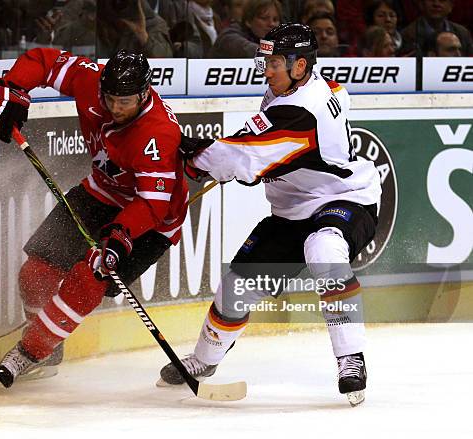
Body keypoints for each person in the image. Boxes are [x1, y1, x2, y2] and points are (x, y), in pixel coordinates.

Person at [158, 23, 381, 407]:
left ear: (300, 65)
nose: (267, 69)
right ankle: (204, 360)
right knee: (237, 287)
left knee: (324, 248)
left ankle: (351, 358)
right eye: (267, 61)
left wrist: (199, 157)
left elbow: (249, 156)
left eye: (275, 62)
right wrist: (238, 158)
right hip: (293, 209)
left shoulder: (302, 109)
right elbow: (257, 146)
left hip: (346, 199)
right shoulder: (303, 89)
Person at [0, 48, 188, 388]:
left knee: (88, 277)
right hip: (100, 192)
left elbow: (153, 205)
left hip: (152, 220)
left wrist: (119, 236)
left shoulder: (159, 133)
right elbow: (43, 61)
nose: (116, 109)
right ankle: (47, 347)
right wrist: (14, 92)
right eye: (110, 99)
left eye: (126, 102)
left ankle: (30, 351)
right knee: (35, 273)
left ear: (145, 93)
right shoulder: (91, 81)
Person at [209, 0, 281, 58]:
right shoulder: (229, 36)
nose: (271, 24)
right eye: (264, 18)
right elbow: (248, 48)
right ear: (249, 21)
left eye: (275, 20)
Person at [401, 0, 472, 56]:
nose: (436, 4)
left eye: (442, 0)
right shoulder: (407, 34)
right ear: (421, 4)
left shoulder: (463, 33)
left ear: (451, 6)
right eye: (431, 0)